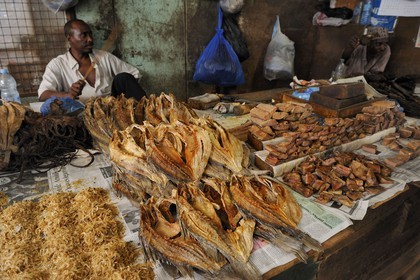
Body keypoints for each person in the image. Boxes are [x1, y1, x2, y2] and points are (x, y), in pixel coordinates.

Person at [38, 19, 146, 103]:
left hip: (112, 109)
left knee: (124, 78)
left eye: (90, 34)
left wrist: (118, 98)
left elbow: (135, 74)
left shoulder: (104, 57)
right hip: (83, 114)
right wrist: (67, 94)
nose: (90, 39)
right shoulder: (57, 64)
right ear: (70, 38)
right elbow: (43, 94)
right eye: (84, 35)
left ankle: (148, 122)